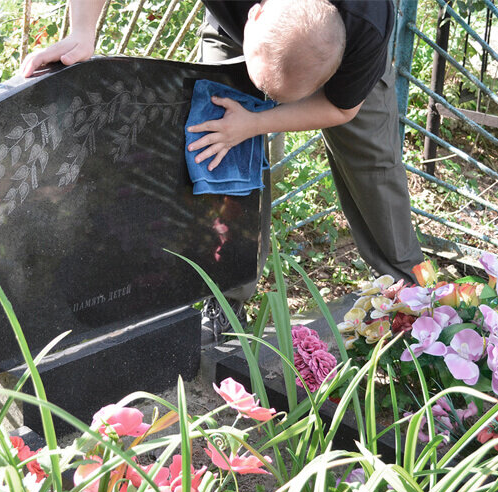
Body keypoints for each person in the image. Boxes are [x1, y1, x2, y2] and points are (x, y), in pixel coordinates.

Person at [22, 0, 424, 338]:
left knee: (373, 164)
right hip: (236, 30)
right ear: (255, 13)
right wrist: (82, 31)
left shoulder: (367, 24)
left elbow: (341, 107)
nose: (262, 97)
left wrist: (255, 122)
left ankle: (414, 296)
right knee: (217, 150)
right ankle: (226, 298)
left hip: (342, 43)